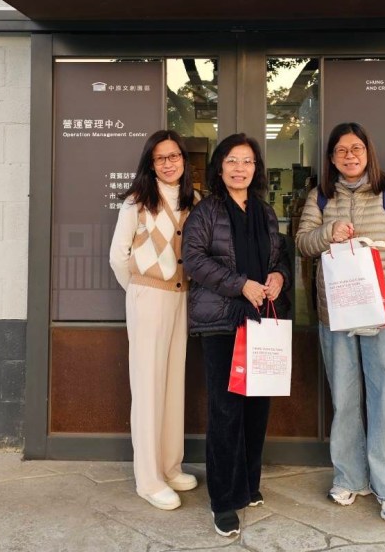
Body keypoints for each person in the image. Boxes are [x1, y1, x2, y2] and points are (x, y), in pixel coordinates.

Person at [295, 122, 385, 521]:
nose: (350, 156)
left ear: (368, 153)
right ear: (332, 158)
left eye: (357, 149)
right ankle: (349, 478)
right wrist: (328, 232)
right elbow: (302, 243)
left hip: (384, 318)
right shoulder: (320, 196)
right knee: (345, 400)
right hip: (336, 315)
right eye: (341, 151)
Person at [182, 133, 291, 538]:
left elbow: (279, 257)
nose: (239, 168)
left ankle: (248, 482)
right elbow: (193, 259)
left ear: (255, 168)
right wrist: (240, 284)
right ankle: (224, 500)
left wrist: (278, 277)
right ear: (220, 167)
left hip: (260, 320)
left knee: (257, 406)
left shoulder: (265, 212)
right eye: (232, 160)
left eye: (247, 161)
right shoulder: (206, 211)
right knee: (226, 410)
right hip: (222, 321)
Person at [109, 130, 199, 511]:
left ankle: (169, 466)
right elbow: (118, 256)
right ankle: (148, 479)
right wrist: (139, 289)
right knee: (148, 386)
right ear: (151, 163)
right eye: (160, 158)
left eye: (174, 156)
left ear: (183, 160)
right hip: (148, 297)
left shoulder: (194, 201)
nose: (168, 163)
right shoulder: (137, 202)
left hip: (182, 298)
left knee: (173, 383)